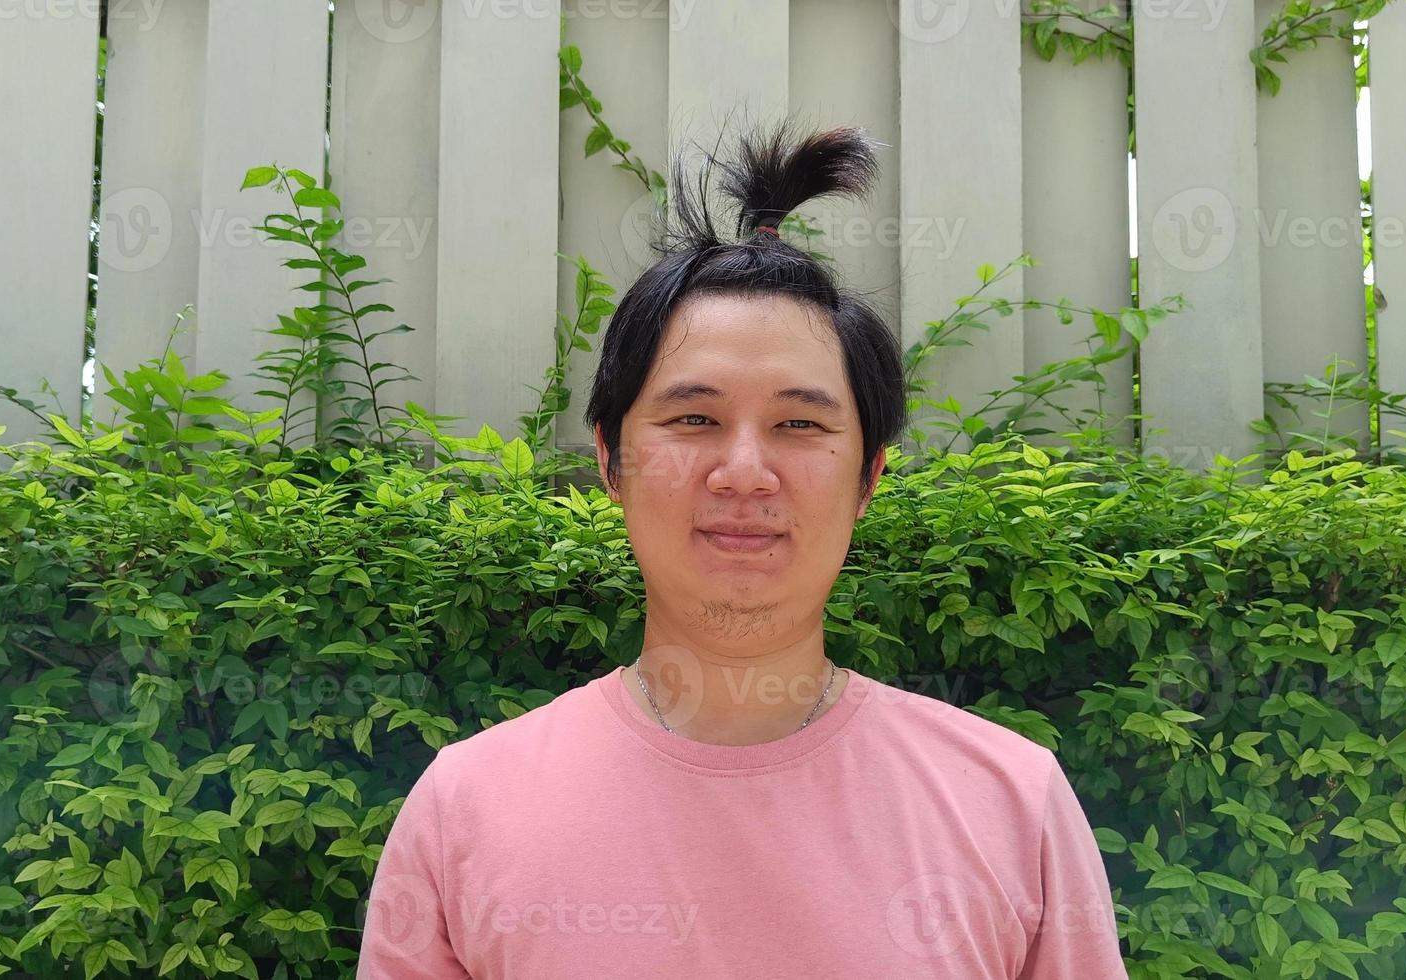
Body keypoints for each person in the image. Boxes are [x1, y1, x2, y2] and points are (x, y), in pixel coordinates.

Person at [357, 121, 1128, 978]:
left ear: (867, 475)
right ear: (611, 458)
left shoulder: (1008, 801)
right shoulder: (467, 807)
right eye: (694, 419)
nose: (745, 473)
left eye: (800, 424)